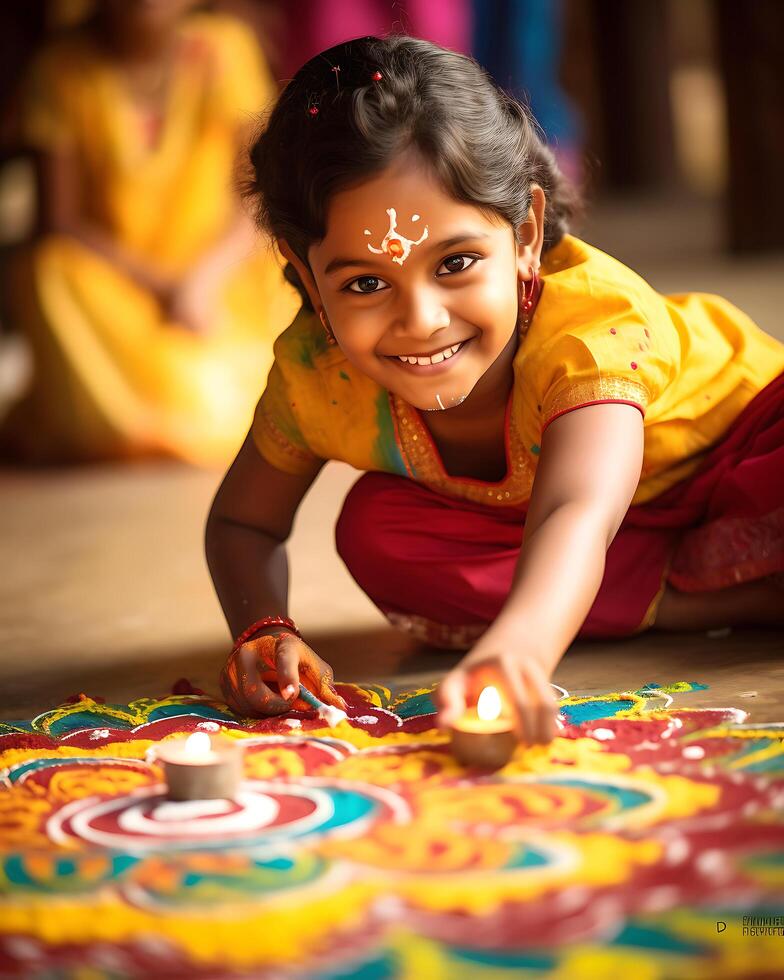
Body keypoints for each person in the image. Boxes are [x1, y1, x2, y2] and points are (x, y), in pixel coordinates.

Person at [206, 35, 784, 738]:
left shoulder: (591, 327)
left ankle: (711, 578)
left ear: (527, 235)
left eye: (456, 263)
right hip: (605, 537)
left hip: (743, 455)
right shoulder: (316, 377)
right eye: (364, 283)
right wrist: (262, 629)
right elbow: (243, 521)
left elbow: (576, 509)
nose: (420, 321)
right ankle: (730, 593)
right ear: (304, 273)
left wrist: (519, 650)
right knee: (378, 531)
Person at [3, 0, 299, 464]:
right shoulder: (59, 70)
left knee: (285, 254)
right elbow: (59, 222)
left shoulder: (225, 50)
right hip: (114, 289)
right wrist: (159, 287)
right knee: (48, 273)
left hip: (219, 280)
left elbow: (258, 193)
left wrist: (203, 279)